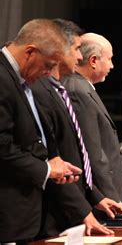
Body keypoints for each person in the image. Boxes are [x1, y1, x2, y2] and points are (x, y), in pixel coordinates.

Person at [32, 20, 120, 237]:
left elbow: (77, 153)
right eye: (76, 49)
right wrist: (85, 207)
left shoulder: (60, 89)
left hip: (79, 199)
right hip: (56, 208)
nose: (79, 56)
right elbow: (66, 155)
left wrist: (95, 196)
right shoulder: (51, 90)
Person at [0, 19, 81, 242]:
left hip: (28, 215)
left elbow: (28, 137)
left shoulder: (20, 78)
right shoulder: (3, 78)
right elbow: (2, 147)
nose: (49, 74)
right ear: (30, 52)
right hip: (8, 215)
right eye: (48, 65)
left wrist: (55, 164)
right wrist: (45, 170)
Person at [63, 33, 122, 216]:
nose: (112, 66)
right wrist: (109, 197)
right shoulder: (78, 90)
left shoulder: (83, 87)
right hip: (100, 200)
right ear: (93, 60)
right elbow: (92, 151)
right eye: (110, 59)